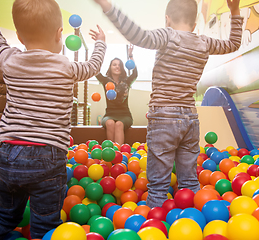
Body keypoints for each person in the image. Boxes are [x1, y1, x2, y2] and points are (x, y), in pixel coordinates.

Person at [0, 0, 106, 239]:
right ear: (60, 34)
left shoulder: (10, 59)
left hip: (9, 154)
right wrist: (100, 44)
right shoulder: (67, 66)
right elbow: (94, 66)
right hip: (47, 155)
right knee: (45, 227)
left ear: (19, 36)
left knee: (4, 215)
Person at [93, 0, 243, 208]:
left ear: (167, 20)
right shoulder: (204, 42)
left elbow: (138, 35)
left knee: (158, 186)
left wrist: (108, 7)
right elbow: (233, 44)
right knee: (190, 181)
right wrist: (234, 11)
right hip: (190, 118)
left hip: (163, 115)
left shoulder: (167, 35)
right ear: (195, 23)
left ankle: (157, 222)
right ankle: (193, 220)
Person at [96, 45, 138, 145]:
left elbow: (135, 74)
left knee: (119, 124)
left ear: (122, 67)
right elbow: (96, 71)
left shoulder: (127, 81)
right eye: (114, 64)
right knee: (110, 123)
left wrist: (131, 56)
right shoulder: (105, 81)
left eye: (119, 65)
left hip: (125, 115)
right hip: (109, 114)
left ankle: (119, 155)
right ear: (110, 67)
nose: (117, 67)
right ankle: (110, 155)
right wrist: (99, 52)